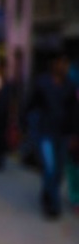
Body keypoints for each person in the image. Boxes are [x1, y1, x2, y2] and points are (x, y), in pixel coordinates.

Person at [25, 50, 77, 218]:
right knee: (49, 168)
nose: (64, 66)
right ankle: (53, 206)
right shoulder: (42, 83)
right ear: (54, 64)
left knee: (59, 171)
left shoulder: (70, 85)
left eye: (66, 63)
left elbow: (74, 111)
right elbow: (30, 106)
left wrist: (75, 133)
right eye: (61, 62)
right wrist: (25, 127)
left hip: (63, 134)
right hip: (45, 133)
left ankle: (47, 193)